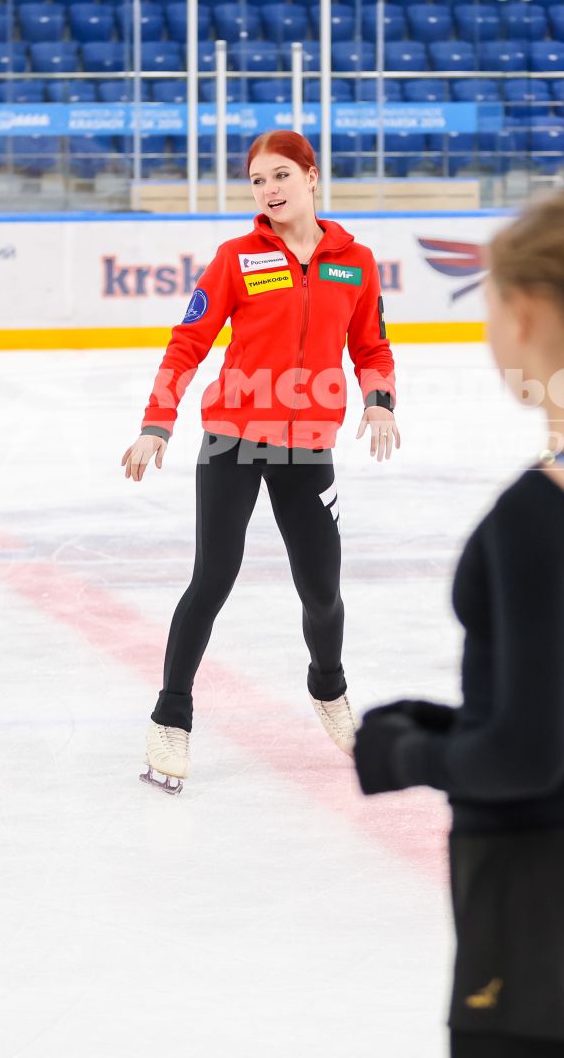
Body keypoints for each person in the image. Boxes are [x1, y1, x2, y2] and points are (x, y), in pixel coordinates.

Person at [352, 191, 564, 1058]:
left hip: (535, 888)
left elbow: (527, 756)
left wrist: (403, 751)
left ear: (527, 312)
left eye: (489, 304)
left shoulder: (540, 507)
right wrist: (459, 720)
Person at [122, 130, 399, 794]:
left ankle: (328, 688)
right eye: (256, 181)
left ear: (311, 176)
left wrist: (380, 402)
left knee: (322, 591)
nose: (269, 190)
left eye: (280, 175)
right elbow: (186, 343)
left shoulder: (354, 262)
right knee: (212, 577)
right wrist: (157, 424)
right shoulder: (236, 258)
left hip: (309, 447)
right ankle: (172, 718)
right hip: (232, 440)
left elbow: (373, 346)